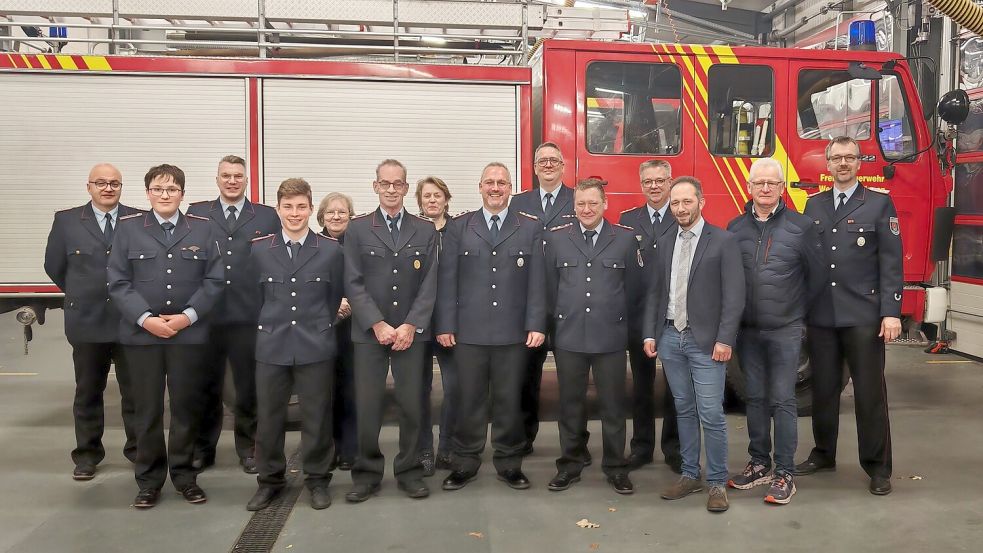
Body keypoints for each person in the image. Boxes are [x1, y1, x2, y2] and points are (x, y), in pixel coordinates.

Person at [107, 164, 223, 509]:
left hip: (188, 336)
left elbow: (214, 281)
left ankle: (185, 477)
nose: (165, 195)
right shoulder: (128, 230)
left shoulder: (202, 230)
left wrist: (187, 318)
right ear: (147, 194)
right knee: (146, 410)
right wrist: (145, 319)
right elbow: (117, 281)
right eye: (158, 189)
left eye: (172, 189)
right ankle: (149, 481)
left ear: (182, 195)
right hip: (142, 337)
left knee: (187, 408)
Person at [794, 136, 903, 496]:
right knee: (823, 390)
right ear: (827, 164)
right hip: (823, 315)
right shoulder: (813, 205)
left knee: (870, 393)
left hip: (864, 315)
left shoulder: (879, 204)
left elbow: (890, 263)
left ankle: (877, 467)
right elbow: (806, 263)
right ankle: (823, 453)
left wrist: (891, 312)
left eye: (850, 158)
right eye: (836, 158)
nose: (843, 163)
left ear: (859, 163)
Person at [436, 163, 546, 492]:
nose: (495, 188)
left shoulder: (529, 227)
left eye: (501, 183)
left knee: (509, 400)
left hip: (513, 333)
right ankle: (465, 462)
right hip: (469, 332)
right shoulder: (459, 226)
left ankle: (509, 462)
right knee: (469, 399)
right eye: (489, 183)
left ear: (510, 187)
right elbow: (447, 279)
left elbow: (538, 280)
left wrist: (536, 323)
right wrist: (445, 324)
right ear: (480, 187)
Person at [725, 158, 825, 505]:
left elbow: (816, 279)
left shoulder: (802, 227)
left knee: (783, 400)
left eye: (772, 183)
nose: (765, 189)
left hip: (785, 329)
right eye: (759, 183)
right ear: (749, 187)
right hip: (748, 332)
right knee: (754, 398)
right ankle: (758, 463)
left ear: (782, 188)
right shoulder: (734, 229)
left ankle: (784, 472)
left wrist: (796, 314)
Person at [643, 176, 745, 513]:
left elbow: (734, 295)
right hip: (671, 337)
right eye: (675, 203)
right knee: (683, 408)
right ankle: (690, 474)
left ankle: (716, 482)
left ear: (701, 201)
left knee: (711, 413)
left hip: (706, 342)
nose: (681, 208)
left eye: (687, 201)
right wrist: (650, 333)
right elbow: (655, 292)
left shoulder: (723, 241)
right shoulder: (664, 239)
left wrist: (725, 338)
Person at [246, 178, 345, 511]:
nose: (295, 213)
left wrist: (319, 325)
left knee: (317, 417)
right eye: (288, 206)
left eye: (301, 206)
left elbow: (333, 299)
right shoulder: (260, 249)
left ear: (310, 209)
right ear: (278, 209)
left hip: (314, 344)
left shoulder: (330, 250)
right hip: (272, 344)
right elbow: (252, 297)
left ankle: (317, 479)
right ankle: (270, 481)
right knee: (269, 418)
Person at [344, 159, 438, 502]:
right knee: (368, 406)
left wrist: (411, 324)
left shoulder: (424, 230)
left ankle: (410, 470)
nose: (392, 189)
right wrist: (377, 323)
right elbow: (352, 282)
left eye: (398, 184)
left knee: (412, 404)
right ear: (375, 186)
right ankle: (367, 474)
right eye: (386, 183)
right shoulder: (357, 229)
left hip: (411, 334)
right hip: (370, 333)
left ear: (406, 188)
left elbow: (430, 283)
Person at [44, 163, 140, 481]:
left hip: (130, 321)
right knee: (88, 391)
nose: (108, 188)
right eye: (101, 183)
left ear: (121, 187)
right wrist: (83, 293)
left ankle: (139, 451)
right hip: (87, 321)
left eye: (114, 183)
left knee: (135, 392)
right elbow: (55, 267)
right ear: (89, 187)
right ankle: (87, 455)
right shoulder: (67, 221)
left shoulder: (138, 219)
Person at [543, 178, 637, 495]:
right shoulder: (557, 239)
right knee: (570, 406)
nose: (587, 209)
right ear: (574, 206)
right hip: (569, 337)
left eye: (593, 203)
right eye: (581, 203)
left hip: (610, 338)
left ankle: (615, 467)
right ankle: (569, 464)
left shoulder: (624, 239)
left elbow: (635, 290)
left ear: (605, 204)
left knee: (613, 407)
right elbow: (548, 288)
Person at [188, 155, 280, 474]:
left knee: (248, 387)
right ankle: (203, 448)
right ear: (217, 180)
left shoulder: (267, 216)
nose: (231, 181)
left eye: (237, 176)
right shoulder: (198, 214)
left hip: (248, 315)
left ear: (246, 180)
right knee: (205, 385)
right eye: (225, 175)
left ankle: (249, 447)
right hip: (206, 316)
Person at [509, 141, 577, 455]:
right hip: (528, 302)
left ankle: (575, 445)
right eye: (542, 161)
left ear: (563, 166)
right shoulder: (517, 202)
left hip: (569, 301)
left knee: (572, 379)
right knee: (526, 375)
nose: (547, 165)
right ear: (534, 167)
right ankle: (523, 439)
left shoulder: (579, 199)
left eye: (553, 160)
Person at [618, 159, 681, 474]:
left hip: (672, 315)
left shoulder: (682, 214)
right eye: (648, 181)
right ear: (640, 184)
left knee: (674, 385)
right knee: (640, 385)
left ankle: (674, 449)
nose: (654, 186)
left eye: (660, 180)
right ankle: (641, 448)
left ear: (670, 182)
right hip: (638, 315)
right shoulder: (628, 220)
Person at [415, 176, 456, 474]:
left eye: (437, 195)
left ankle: (449, 447)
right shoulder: (411, 231)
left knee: (454, 388)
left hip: (450, 323)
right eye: (427, 195)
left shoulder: (460, 230)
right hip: (418, 323)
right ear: (419, 200)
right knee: (419, 390)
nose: (432, 200)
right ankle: (423, 450)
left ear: (446, 199)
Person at [317, 192, 357, 472]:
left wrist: (350, 304)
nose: (336, 217)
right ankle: (325, 448)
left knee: (350, 389)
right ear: (321, 217)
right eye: (330, 212)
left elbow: (369, 279)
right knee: (321, 391)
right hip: (321, 326)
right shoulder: (313, 244)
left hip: (353, 328)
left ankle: (348, 448)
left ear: (350, 216)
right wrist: (331, 307)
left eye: (342, 212)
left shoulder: (358, 244)